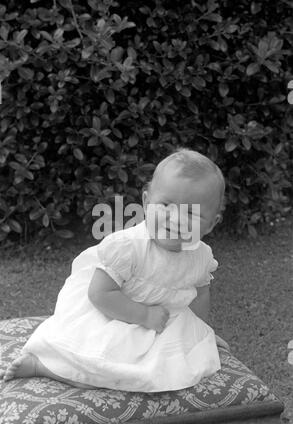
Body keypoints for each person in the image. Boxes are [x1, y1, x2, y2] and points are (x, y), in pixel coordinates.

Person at [0, 148, 229, 392]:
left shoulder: (201, 257)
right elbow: (100, 294)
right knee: (106, 367)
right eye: (165, 205)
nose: (175, 219)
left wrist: (199, 334)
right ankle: (43, 365)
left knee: (161, 372)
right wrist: (143, 316)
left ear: (211, 224)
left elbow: (200, 294)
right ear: (146, 202)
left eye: (191, 213)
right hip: (112, 314)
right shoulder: (129, 247)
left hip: (159, 321)